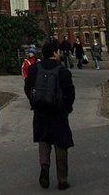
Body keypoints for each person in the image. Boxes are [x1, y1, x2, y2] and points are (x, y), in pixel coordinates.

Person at [24, 41, 75, 190]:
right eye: (58, 51)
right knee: (61, 144)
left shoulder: (34, 69)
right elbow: (70, 93)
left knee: (43, 141)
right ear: (54, 53)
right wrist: (67, 108)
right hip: (58, 113)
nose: (60, 54)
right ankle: (62, 179)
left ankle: (44, 168)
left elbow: (28, 88)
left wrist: (34, 103)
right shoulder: (63, 71)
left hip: (40, 112)